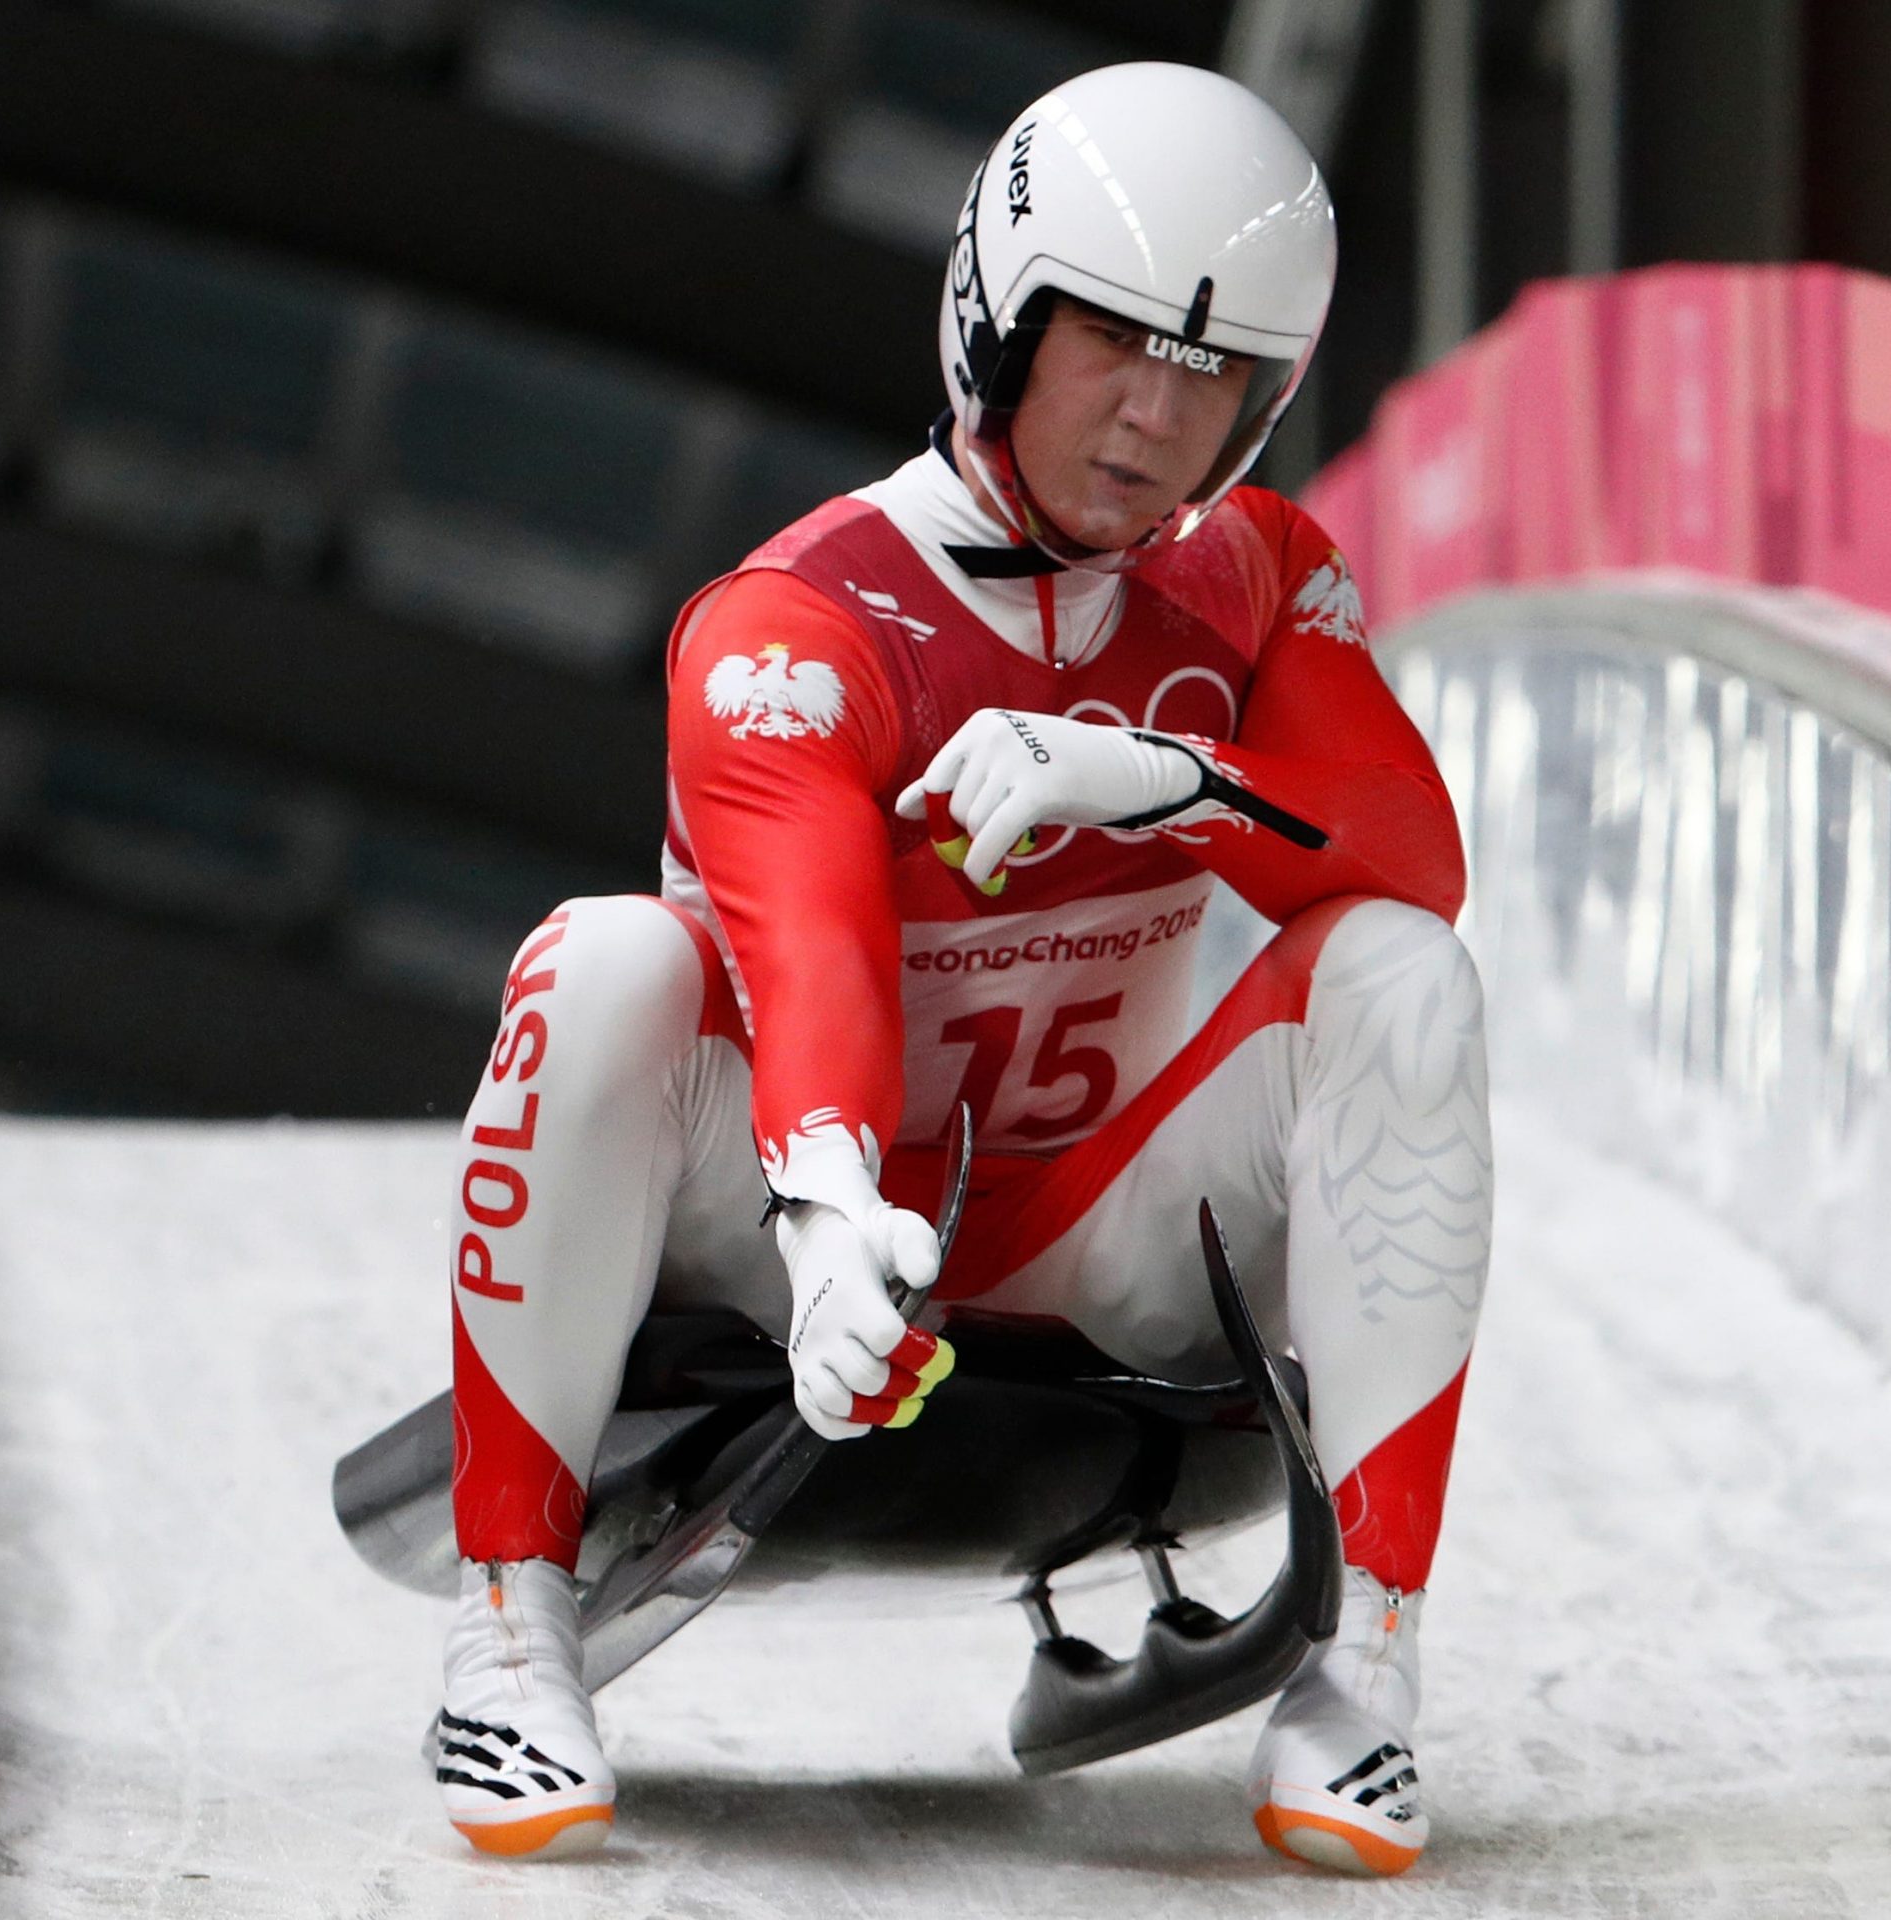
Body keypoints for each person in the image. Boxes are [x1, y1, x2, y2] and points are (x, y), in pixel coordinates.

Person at [429, 61, 1493, 1879]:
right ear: (999, 326)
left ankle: (1367, 1672)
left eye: (1214, 375)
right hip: (799, 1234)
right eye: (1114, 347)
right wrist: (830, 1221)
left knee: (1401, 974)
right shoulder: (797, 626)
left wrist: (1177, 780)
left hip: (1110, 1227)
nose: (1157, 416)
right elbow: (812, 936)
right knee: (605, 964)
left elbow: (1418, 855)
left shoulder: (1256, 578)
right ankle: (504, 1616)